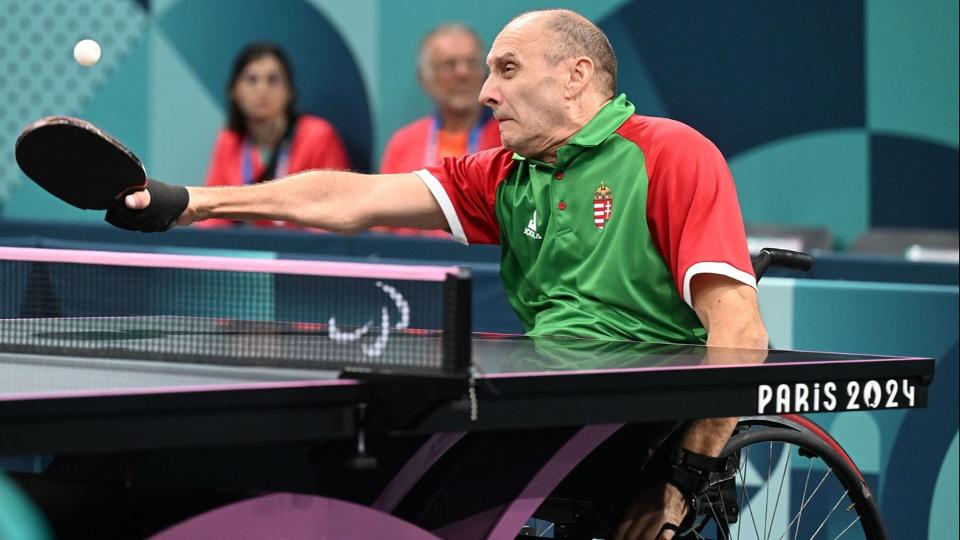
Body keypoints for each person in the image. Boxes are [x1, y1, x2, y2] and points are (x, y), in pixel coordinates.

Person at [108, 9, 768, 539]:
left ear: (576, 76)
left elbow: (740, 334)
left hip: (631, 408)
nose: (485, 92)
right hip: (547, 391)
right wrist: (195, 202)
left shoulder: (669, 154)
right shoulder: (505, 173)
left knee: (434, 491)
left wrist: (679, 481)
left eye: (507, 69)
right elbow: (354, 198)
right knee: (367, 440)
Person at [203, 42, 350, 228]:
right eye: (251, 80)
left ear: (289, 91)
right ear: (234, 91)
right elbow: (213, 216)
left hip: (303, 244)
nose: (262, 89)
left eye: (273, 80)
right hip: (245, 244)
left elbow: (337, 209)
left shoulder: (318, 136)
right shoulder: (229, 140)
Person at [378, 23, 501, 237]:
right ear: (425, 79)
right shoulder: (404, 141)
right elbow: (382, 223)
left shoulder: (508, 138)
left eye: (472, 63)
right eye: (449, 65)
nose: (463, 73)